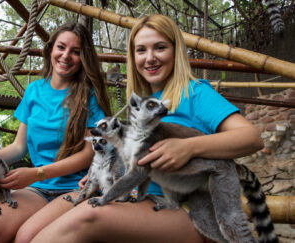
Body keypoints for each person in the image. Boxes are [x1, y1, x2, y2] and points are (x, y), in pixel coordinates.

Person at [24, 14, 264, 243]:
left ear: (175, 51)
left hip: (187, 208)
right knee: (29, 234)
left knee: (86, 216)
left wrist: (187, 147)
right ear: (133, 56)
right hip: (143, 200)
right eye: (141, 50)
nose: (150, 58)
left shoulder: (194, 92)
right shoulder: (142, 102)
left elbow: (251, 138)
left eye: (159, 48)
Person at [0, 22, 111, 243]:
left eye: (76, 52)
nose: (66, 56)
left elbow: (89, 155)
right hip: (38, 188)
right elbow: (19, 147)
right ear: (50, 49)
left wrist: (37, 173)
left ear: (84, 58)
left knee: (27, 237)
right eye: (61, 47)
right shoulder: (34, 90)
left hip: (76, 187)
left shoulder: (89, 96)